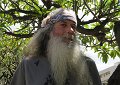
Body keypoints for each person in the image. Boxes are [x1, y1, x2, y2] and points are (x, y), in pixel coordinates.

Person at [10, 8, 101, 85]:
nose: (71, 30)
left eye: (73, 26)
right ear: (49, 31)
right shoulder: (28, 64)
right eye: (63, 25)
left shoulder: (88, 65)